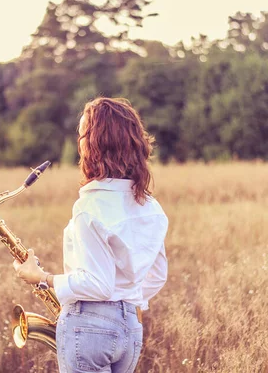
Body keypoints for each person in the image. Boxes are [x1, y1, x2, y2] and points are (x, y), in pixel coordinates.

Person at [13, 97, 168, 373]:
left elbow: (99, 285)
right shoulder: (151, 207)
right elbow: (157, 276)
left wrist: (42, 278)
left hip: (89, 330)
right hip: (130, 330)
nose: (79, 141)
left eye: (83, 133)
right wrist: (123, 304)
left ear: (96, 143)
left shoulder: (89, 207)